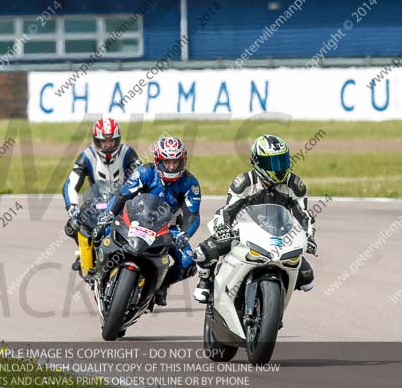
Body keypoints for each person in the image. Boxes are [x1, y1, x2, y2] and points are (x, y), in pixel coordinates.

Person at [193, 134, 317, 304]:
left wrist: (308, 237)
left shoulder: (295, 185)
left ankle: (277, 299)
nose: (279, 168)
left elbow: (303, 216)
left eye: (282, 161)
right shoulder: (244, 182)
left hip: (279, 236)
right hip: (244, 234)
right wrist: (222, 228)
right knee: (203, 253)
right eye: (272, 163)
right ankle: (205, 281)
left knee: (307, 279)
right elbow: (228, 210)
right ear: (257, 162)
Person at [95, 136, 201, 306]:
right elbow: (122, 196)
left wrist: (184, 235)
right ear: (158, 160)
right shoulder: (144, 172)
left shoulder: (190, 183)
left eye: (176, 162)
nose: (172, 166)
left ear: (183, 161)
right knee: (102, 232)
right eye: (167, 162)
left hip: (168, 227)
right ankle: (100, 273)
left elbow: (193, 215)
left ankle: (161, 286)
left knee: (188, 262)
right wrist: (107, 216)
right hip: (135, 219)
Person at [62, 116, 141, 271]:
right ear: (96, 140)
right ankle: (85, 254)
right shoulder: (87, 156)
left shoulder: (128, 153)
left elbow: (141, 176)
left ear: (118, 140)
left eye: (112, 141)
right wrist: (72, 207)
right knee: (72, 226)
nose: (108, 145)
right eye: (104, 141)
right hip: (95, 203)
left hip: (123, 203)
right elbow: (71, 183)